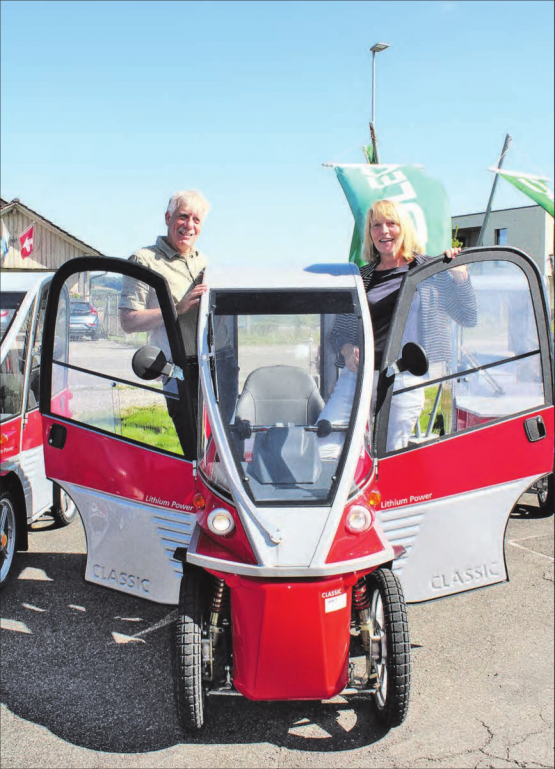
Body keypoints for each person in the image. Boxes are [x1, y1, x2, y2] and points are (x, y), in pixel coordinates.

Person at [320, 198, 477, 454]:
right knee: (327, 444)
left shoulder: (429, 270)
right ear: (370, 234)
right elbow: (337, 334)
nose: (384, 231)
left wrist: (461, 279)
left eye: (391, 223)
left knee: (390, 454)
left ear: (403, 228)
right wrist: (347, 350)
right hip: (358, 376)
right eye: (376, 225)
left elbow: (468, 317)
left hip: (404, 379)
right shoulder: (361, 277)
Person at [120, 190, 238, 429]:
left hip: (221, 361)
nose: (189, 225)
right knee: (192, 443)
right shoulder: (144, 260)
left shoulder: (202, 261)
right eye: (183, 216)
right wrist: (177, 309)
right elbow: (128, 321)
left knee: (225, 442)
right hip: (180, 368)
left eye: (196, 220)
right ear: (168, 218)